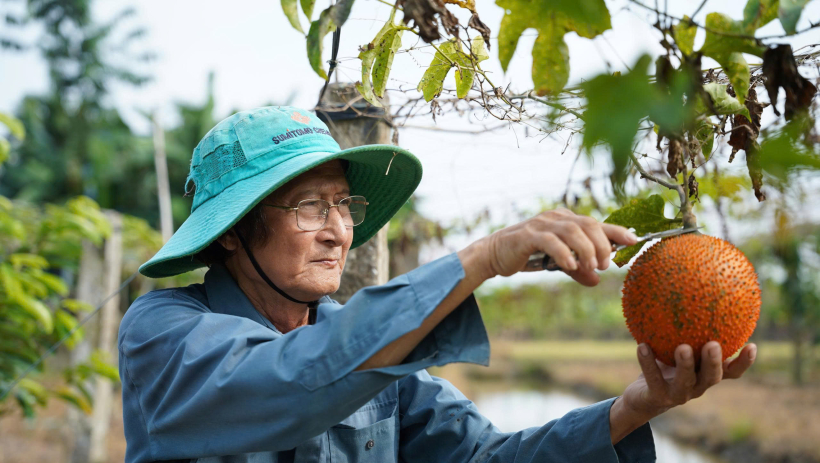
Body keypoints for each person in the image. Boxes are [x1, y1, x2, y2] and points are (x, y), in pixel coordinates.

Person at [119, 106, 757, 463]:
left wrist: (636, 407)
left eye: (344, 206)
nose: (338, 231)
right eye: (309, 206)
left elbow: (485, 459)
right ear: (231, 233)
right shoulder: (164, 332)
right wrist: (481, 259)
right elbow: (292, 379)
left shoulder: (372, 357)